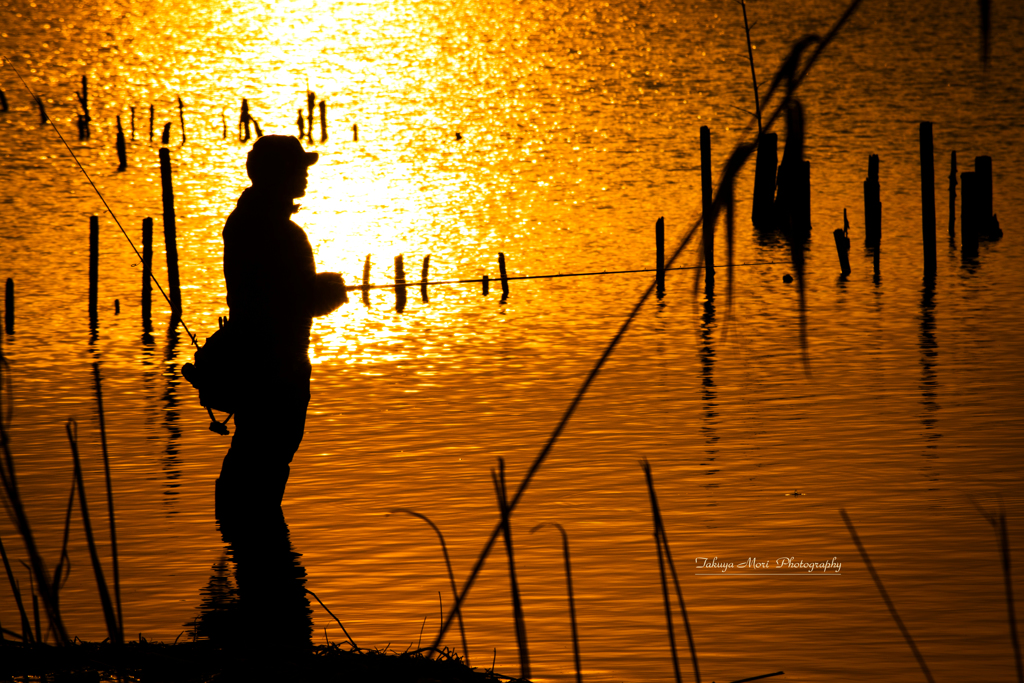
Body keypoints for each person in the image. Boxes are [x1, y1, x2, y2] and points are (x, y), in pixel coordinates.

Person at [215, 134, 346, 517]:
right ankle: (251, 540)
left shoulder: (242, 221)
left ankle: (241, 543)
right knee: (266, 458)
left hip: (253, 358)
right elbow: (297, 300)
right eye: (298, 169)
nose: (305, 177)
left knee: (253, 451)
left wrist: (318, 288)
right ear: (277, 174)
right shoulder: (282, 233)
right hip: (277, 367)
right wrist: (332, 289)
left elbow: (278, 293)